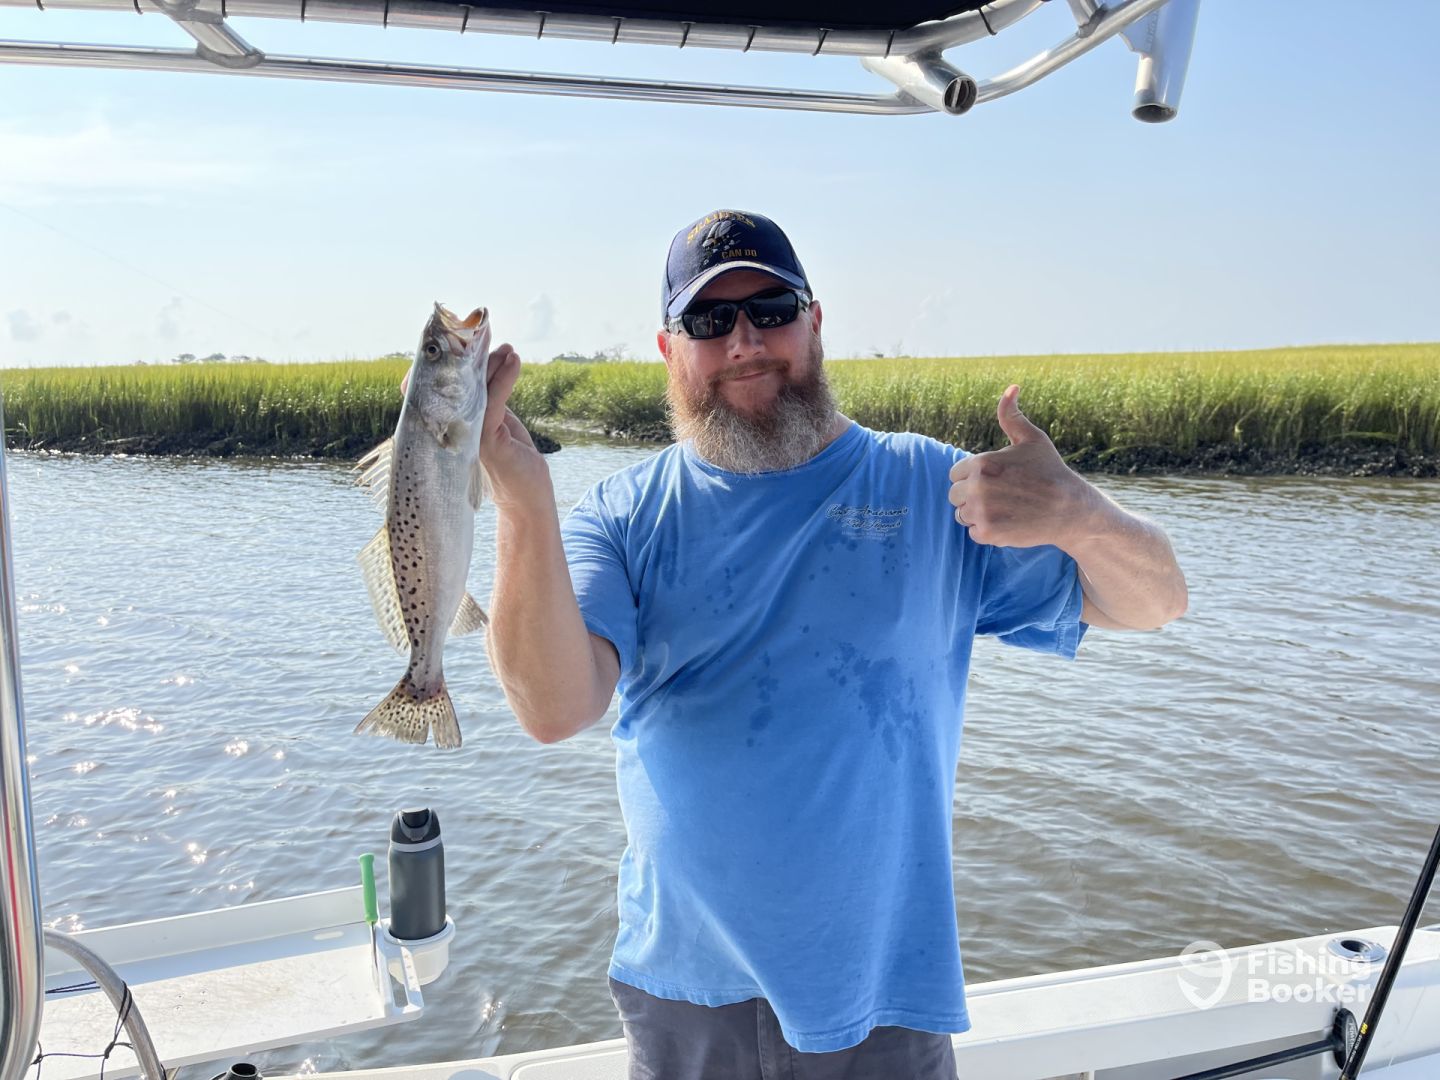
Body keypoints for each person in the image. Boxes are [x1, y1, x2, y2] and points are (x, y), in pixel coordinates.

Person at [477, 209, 1188, 1080]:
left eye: (771, 310)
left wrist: (1081, 514)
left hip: (885, 990)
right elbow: (553, 710)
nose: (744, 341)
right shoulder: (620, 515)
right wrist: (522, 503)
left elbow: (1155, 603)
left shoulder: (931, 487)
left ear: (814, 323)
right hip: (688, 994)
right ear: (669, 351)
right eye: (709, 320)